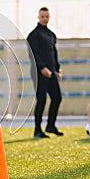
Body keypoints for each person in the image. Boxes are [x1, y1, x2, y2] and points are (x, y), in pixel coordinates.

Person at [27, 7, 63, 138]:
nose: (45, 18)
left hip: (52, 72)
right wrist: (42, 68)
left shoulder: (51, 35)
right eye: (42, 16)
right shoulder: (33, 35)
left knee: (57, 97)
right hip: (39, 72)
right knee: (41, 100)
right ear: (38, 17)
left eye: (47, 16)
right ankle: (37, 130)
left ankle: (50, 126)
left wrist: (57, 70)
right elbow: (34, 55)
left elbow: (54, 54)